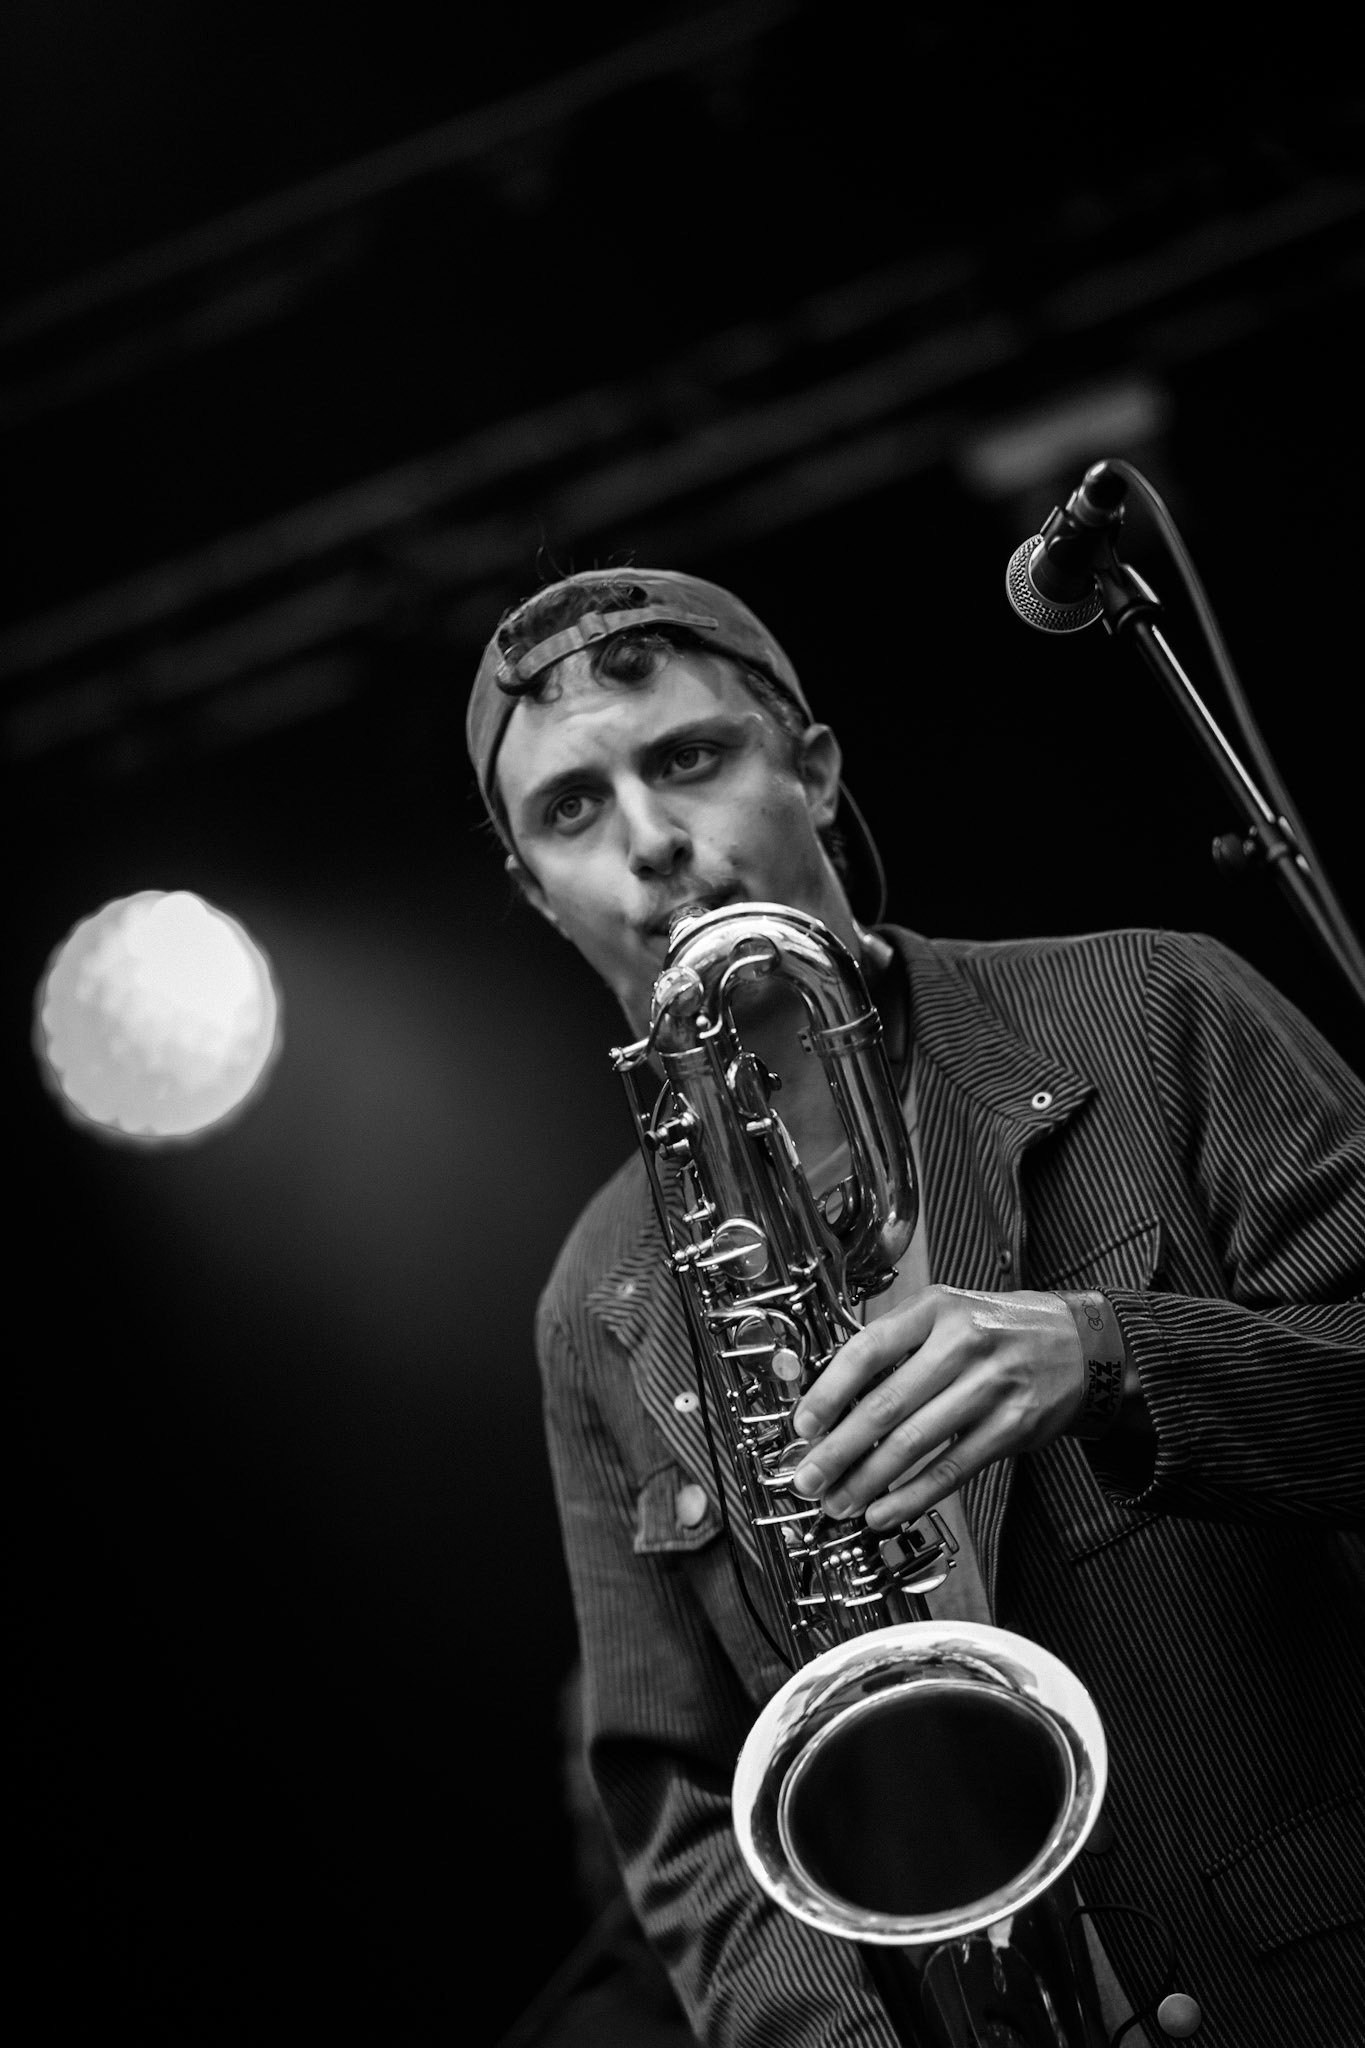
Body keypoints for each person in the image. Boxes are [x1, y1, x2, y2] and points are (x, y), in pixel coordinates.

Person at [466, 568, 1365, 2048]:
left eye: (689, 758)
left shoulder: (1155, 1006)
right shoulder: (595, 1299)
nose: (650, 841)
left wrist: (1112, 1354)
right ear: (535, 894)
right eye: (573, 809)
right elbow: (690, 1816)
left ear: (815, 773)